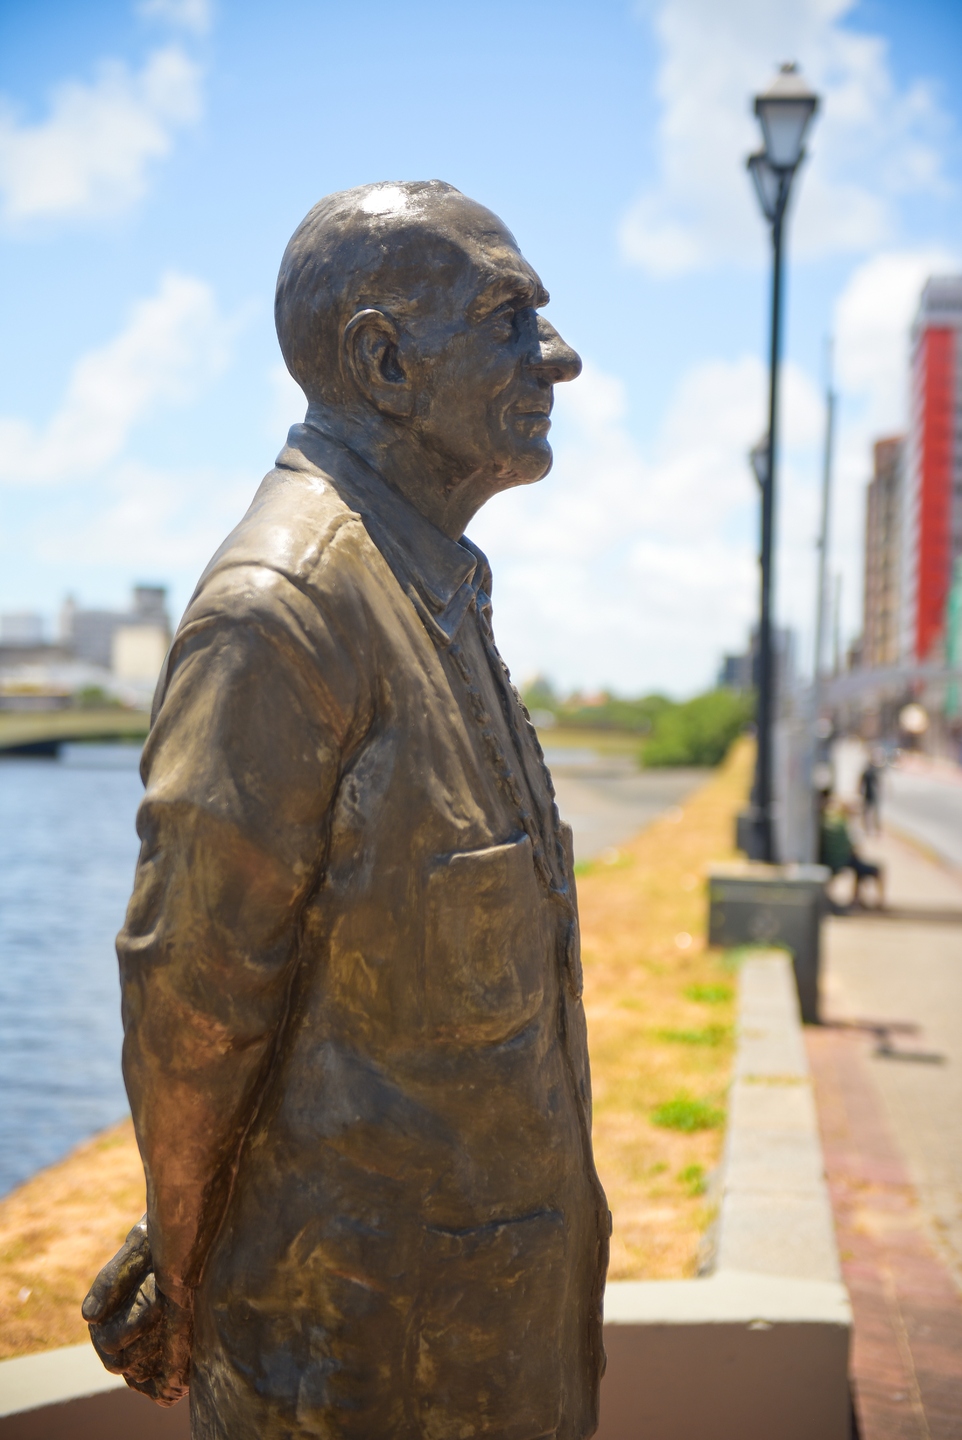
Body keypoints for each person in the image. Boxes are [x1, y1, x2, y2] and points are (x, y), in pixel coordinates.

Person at [82, 182, 609, 1440]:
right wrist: (183, 1255)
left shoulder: (428, 585)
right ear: (382, 361)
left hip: (481, 1349)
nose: (558, 356)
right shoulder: (284, 612)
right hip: (360, 1371)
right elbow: (191, 1008)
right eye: (504, 316)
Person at [818, 791, 884, 908]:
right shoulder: (839, 822)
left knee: (860, 868)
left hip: (833, 858)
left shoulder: (832, 819)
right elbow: (849, 847)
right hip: (838, 859)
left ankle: (857, 899)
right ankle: (875, 902)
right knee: (870, 868)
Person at [859, 755, 881, 834]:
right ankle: (870, 829)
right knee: (868, 813)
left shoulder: (873, 771)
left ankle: (875, 829)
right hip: (869, 795)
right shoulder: (869, 772)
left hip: (871, 795)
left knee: (872, 813)